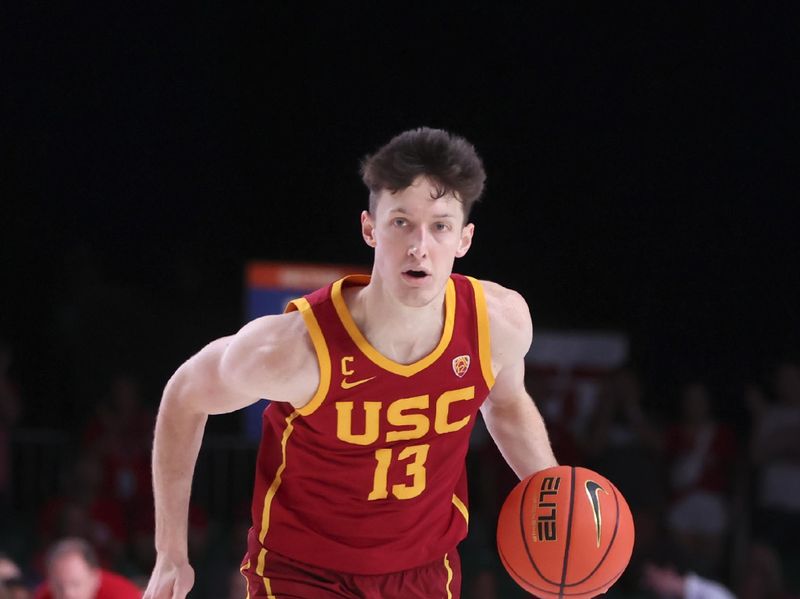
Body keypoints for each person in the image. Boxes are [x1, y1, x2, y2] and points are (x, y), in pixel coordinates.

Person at [143, 127, 558, 599]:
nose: (419, 246)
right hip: (304, 574)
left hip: (424, 570)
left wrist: (553, 494)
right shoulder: (295, 348)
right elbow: (184, 394)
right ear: (369, 228)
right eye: (401, 222)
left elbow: (504, 404)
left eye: (440, 226)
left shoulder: (497, 322)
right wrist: (170, 551)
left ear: (464, 238)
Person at [33, 537, 141, 599]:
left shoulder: (123, 596)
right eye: (58, 586)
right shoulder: (44, 595)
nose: (68, 594)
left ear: (95, 578)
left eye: (75, 584)